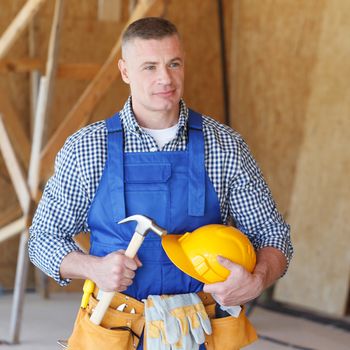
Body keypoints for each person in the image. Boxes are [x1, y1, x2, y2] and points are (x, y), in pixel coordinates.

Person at [29, 17, 293, 349]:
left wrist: (257, 281)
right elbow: (42, 239)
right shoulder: (87, 149)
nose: (165, 78)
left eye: (174, 64)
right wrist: (92, 267)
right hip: (115, 329)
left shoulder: (225, 146)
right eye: (149, 67)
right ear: (125, 71)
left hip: (199, 331)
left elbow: (273, 236)